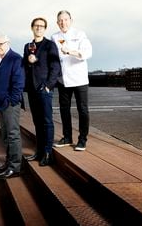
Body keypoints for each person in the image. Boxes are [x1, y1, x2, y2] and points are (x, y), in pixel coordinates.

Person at [0, 33, 25, 179]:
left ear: (8, 43)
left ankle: (15, 167)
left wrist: (11, 101)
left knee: (13, 134)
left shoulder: (15, 58)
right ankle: (8, 163)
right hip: (2, 102)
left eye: (1, 44)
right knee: (6, 135)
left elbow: (19, 83)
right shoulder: (0, 60)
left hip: (9, 103)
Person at [51, 10, 93, 151]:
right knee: (64, 110)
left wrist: (70, 51)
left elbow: (87, 52)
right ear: (57, 23)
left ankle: (82, 140)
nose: (63, 23)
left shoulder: (80, 34)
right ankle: (67, 137)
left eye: (66, 19)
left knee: (83, 110)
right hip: (63, 79)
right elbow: (52, 57)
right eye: (60, 20)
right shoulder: (54, 37)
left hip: (79, 78)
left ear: (71, 20)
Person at [23, 17, 61, 166]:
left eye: (41, 26)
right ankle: (39, 151)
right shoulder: (28, 46)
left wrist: (48, 85)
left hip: (44, 88)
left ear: (45, 29)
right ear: (32, 28)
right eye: (36, 26)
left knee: (47, 121)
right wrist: (28, 60)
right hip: (32, 89)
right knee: (37, 121)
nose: (38, 28)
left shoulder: (50, 45)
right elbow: (25, 66)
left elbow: (55, 67)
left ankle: (47, 152)